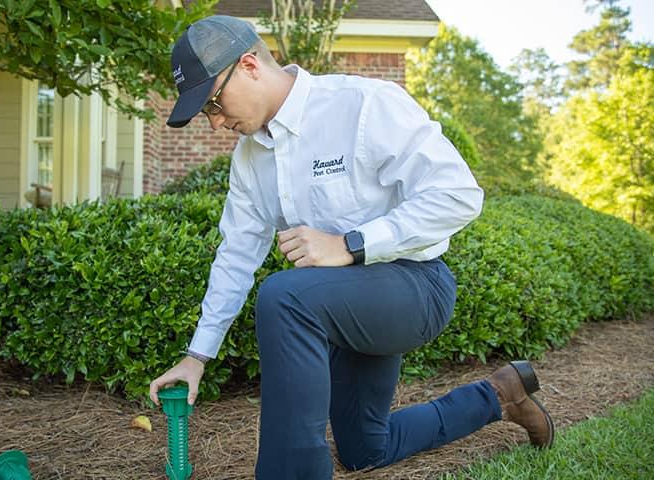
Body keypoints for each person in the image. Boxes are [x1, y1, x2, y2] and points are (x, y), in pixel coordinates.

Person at [149, 15, 554, 479]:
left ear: (249, 65)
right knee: (365, 447)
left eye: (214, 102)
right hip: (343, 306)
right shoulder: (249, 158)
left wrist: (352, 244)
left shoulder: (361, 104)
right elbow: (237, 254)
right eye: (206, 113)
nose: (216, 122)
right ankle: (502, 396)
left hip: (414, 287)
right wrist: (197, 356)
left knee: (284, 297)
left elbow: (458, 195)